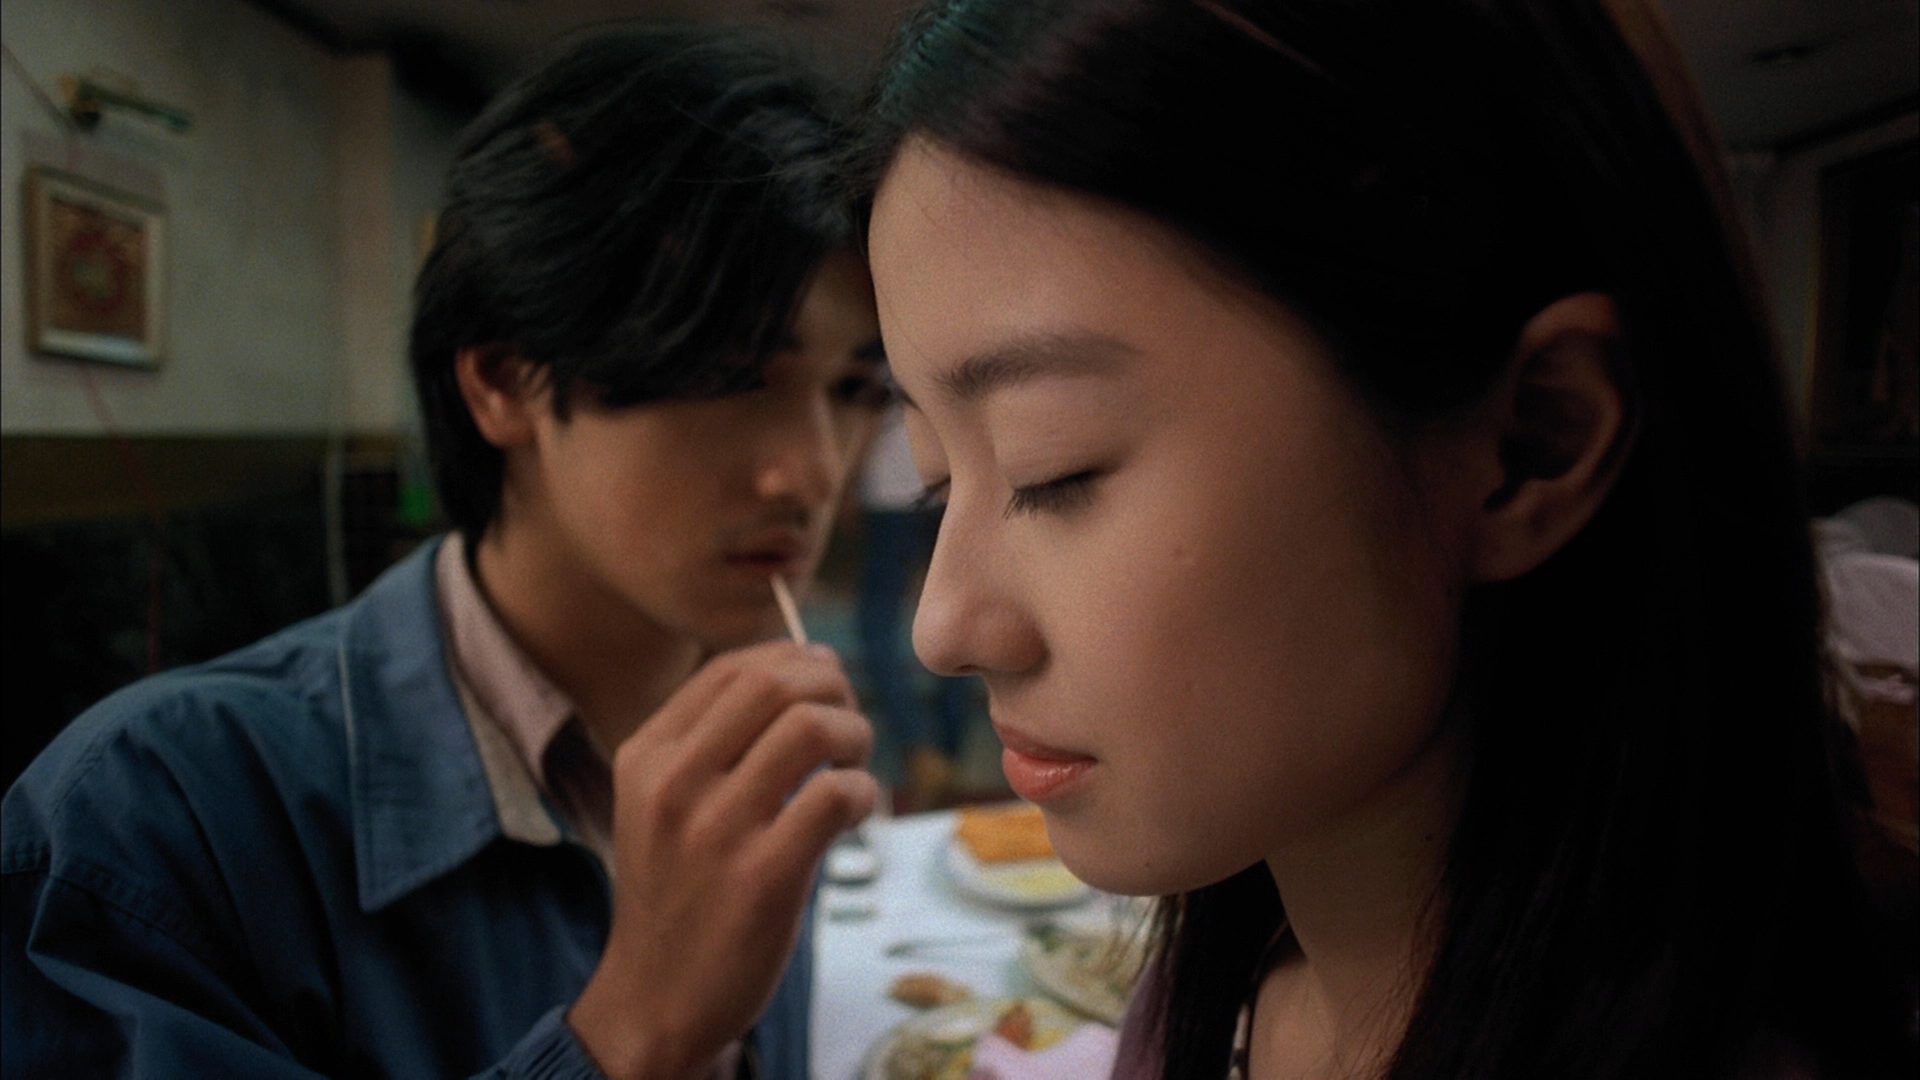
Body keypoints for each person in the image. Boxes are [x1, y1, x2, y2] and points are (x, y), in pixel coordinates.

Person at [852, 1, 1918, 1078]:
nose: (943, 627)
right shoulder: (1212, 997)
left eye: (1053, 465)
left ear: (1535, 441)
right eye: (939, 479)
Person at [3, 27, 888, 1080]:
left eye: (856, 389)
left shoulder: (763, 745)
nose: (811, 472)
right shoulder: (154, 822)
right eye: (733, 373)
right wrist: (632, 1036)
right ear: (504, 382)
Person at [855, 403, 972, 807]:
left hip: (890, 493)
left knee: (877, 621)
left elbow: (867, 419)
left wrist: (847, 484)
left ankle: (920, 747)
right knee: (956, 615)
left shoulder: (875, 371)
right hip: (942, 484)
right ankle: (948, 753)